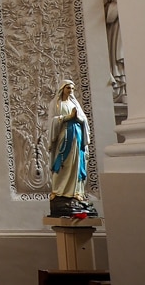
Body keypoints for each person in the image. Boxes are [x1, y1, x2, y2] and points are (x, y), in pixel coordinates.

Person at [49, 79, 96, 216]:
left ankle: (76, 193)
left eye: (72, 89)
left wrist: (79, 119)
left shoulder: (74, 103)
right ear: (62, 89)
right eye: (68, 88)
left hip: (77, 137)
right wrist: (67, 117)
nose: (70, 91)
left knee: (76, 164)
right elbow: (52, 121)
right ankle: (59, 191)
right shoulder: (56, 104)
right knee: (63, 163)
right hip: (64, 138)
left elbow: (84, 120)